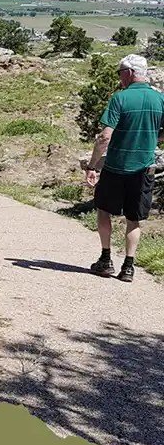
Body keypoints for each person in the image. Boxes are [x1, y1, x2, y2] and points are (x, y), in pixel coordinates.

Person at [85, 54, 164, 284]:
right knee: (134, 218)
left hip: (116, 166)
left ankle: (106, 259)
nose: (120, 77)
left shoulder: (120, 98)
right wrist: (152, 138)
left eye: (120, 73)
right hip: (144, 168)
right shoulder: (159, 100)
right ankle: (128, 266)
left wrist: (92, 165)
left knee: (103, 209)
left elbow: (104, 138)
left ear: (129, 73)